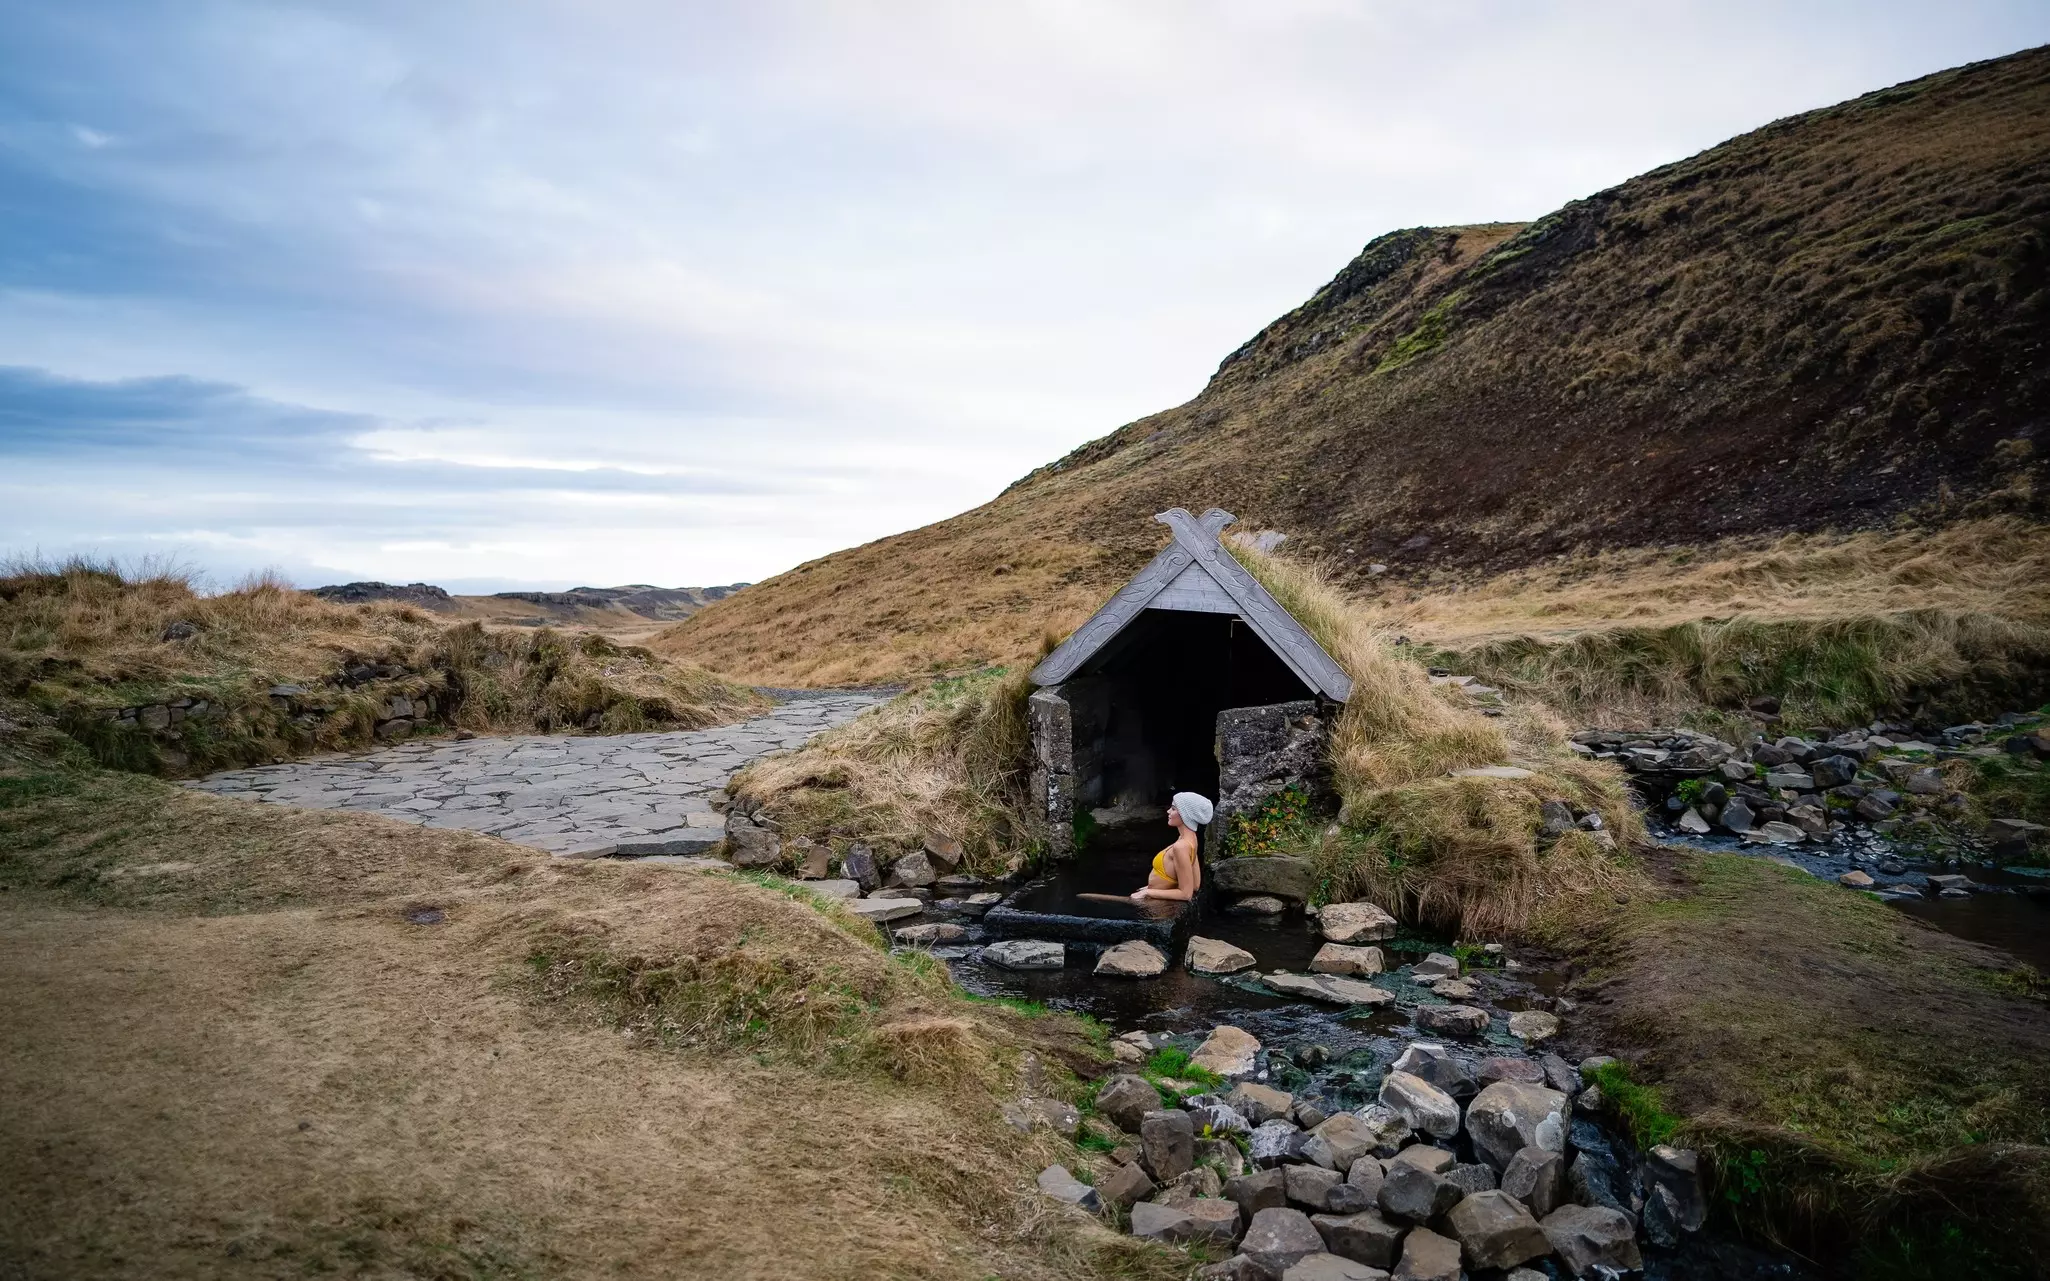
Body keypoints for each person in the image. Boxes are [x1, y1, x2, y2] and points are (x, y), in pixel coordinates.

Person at [1132, 791, 1212, 902]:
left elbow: (1186, 894)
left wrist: (1148, 892)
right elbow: (1195, 885)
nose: (1168, 811)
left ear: (1185, 814)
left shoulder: (1181, 846)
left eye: (1173, 809)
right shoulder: (1191, 840)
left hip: (1158, 910)